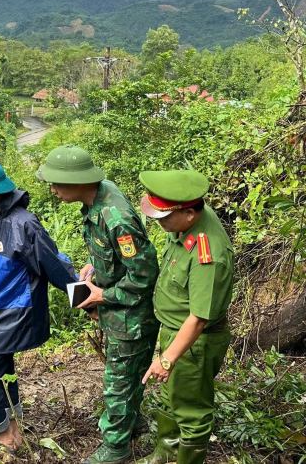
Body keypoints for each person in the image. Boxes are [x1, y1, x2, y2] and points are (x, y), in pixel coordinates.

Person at [37, 145, 160, 464]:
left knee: (118, 382)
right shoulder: (98, 198)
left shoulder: (114, 217)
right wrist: (95, 270)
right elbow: (115, 259)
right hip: (120, 312)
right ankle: (133, 425)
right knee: (127, 376)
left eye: (57, 182)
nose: (52, 189)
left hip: (131, 318)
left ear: (79, 182)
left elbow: (144, 275)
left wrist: (100, 296)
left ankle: (116, 447)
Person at [0, 159, 77, 451]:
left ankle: (4, 440)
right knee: (1, 376)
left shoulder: (23, 224)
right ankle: (14, 431)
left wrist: (85, 299)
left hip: (10, 319)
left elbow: (53, 265)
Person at [136, 169, 233, 464]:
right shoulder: (186, 221)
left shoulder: (209, 255)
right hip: (175, 332)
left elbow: (199, 318)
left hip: (194, 342)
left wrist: (167, 359)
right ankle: (165, 454)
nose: (159, 223)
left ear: (189, 214)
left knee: (191, 409)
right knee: (171, 396)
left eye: (164, 217)